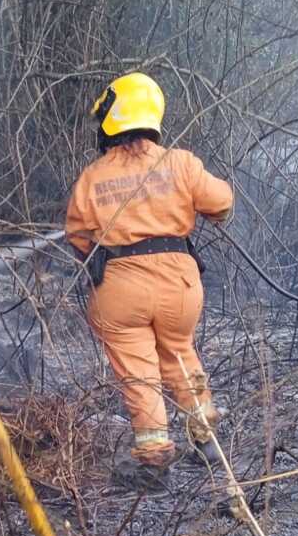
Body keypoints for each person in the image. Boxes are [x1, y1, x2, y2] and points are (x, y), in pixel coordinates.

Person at [65, 72, 233, 480]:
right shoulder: (181, 162)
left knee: (139, 373)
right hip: (179, 285)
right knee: (179, 353)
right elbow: (222, 203)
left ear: (110, 119)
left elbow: (77, 236)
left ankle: (154, 459)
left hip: (120, 289)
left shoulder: (92, 176)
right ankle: (207, 440)